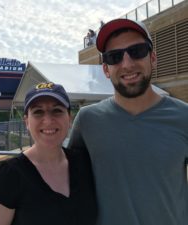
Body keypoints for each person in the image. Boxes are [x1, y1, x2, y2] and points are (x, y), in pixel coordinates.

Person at [68, 18, 188, 225]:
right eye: (115, 57)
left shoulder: (183, 117)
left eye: (137, 51)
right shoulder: (87, 121)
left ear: (153, 58)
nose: (127, 64)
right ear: (106, 69)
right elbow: (63, 176)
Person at [0, 82, 97, 225]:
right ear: (27, 122)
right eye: (38, 112)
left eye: (57, 110)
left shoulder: (83, 162)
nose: (48, 120)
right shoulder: (9, 175)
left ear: (69, 118)